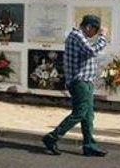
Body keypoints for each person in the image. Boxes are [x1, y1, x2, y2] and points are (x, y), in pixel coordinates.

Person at [43, 15, 108, 157]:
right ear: (88, 27)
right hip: (80, 81)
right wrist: (102, 37)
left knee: (88, 116)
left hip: (86, 81)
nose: (95, 34)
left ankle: (89, 145)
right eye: (95, 31)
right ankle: (52, 137)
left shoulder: (79, 36)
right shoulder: (76, 36)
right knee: (79, 113)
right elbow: (92, 51)